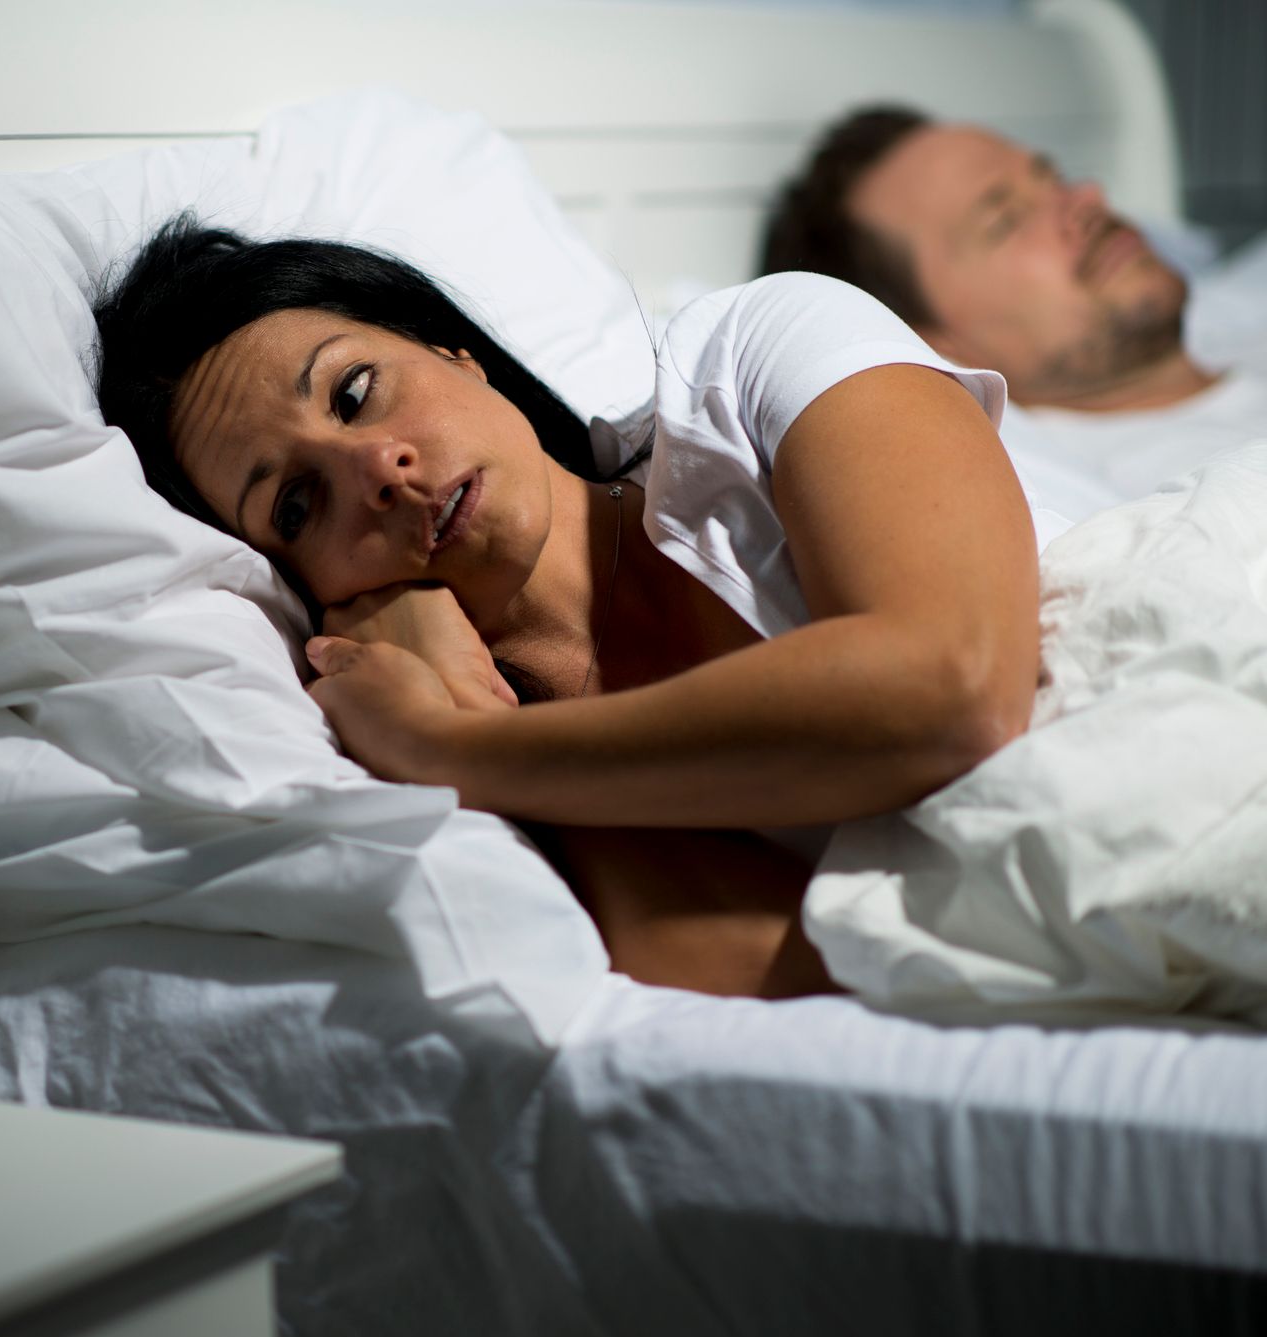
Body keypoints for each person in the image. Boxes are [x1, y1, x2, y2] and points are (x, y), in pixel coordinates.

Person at [95, 217, 1041, 1001]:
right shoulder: (452, 751)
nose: (376, 470)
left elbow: (952, 690)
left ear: (457, 356)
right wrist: (483, 732)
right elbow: (775, 990)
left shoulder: (751, 364)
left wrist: (447, 750)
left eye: (354, 392)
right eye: (296, 506)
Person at [760, 106, 1267, 518]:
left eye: (1054, 178)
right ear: (931, 343)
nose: (1088, 199)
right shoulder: (1137, 510)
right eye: (1007, 219)